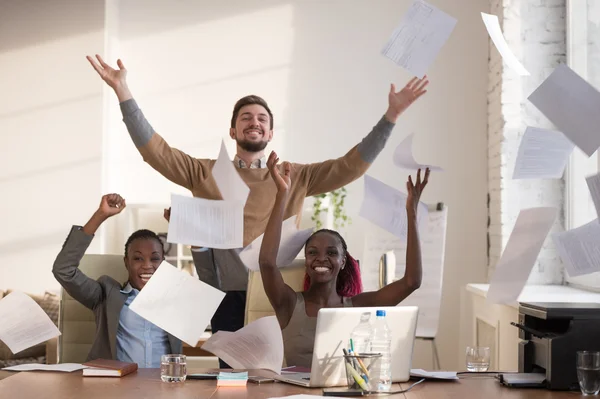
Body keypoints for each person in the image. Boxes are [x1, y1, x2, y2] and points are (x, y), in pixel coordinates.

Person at [85, 54, 429, 364]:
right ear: (233, 130)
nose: (255, 121)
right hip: (224, 296)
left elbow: (350, 167)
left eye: (262, 118)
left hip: (279, 297)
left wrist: (391, 116)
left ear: (271, 131)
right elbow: (155, 151)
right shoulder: (203, 171)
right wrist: (123, 91)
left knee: (279, 377)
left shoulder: (296, 175)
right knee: (233, 381)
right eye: (246, 117)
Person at [259, 152, 429, 367]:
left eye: (331, 253)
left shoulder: (357, 306)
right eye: (312, 252)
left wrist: (411, 213)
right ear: (306, 259)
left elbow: (411, 282)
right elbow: (266, 262)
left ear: (343, 262)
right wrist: (282, 194)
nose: (321, 258)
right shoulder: (288, 303)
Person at [53, 194, 182, 367]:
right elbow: (64, 270)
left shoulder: (177, 298)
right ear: (126, 263)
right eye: (137, 259)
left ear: (163, 263)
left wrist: (183, 229)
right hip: (117, 387)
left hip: (165, 386)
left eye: (155, 258)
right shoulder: (106, 294)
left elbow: (212, 285)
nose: (147, 266)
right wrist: (100, 215)